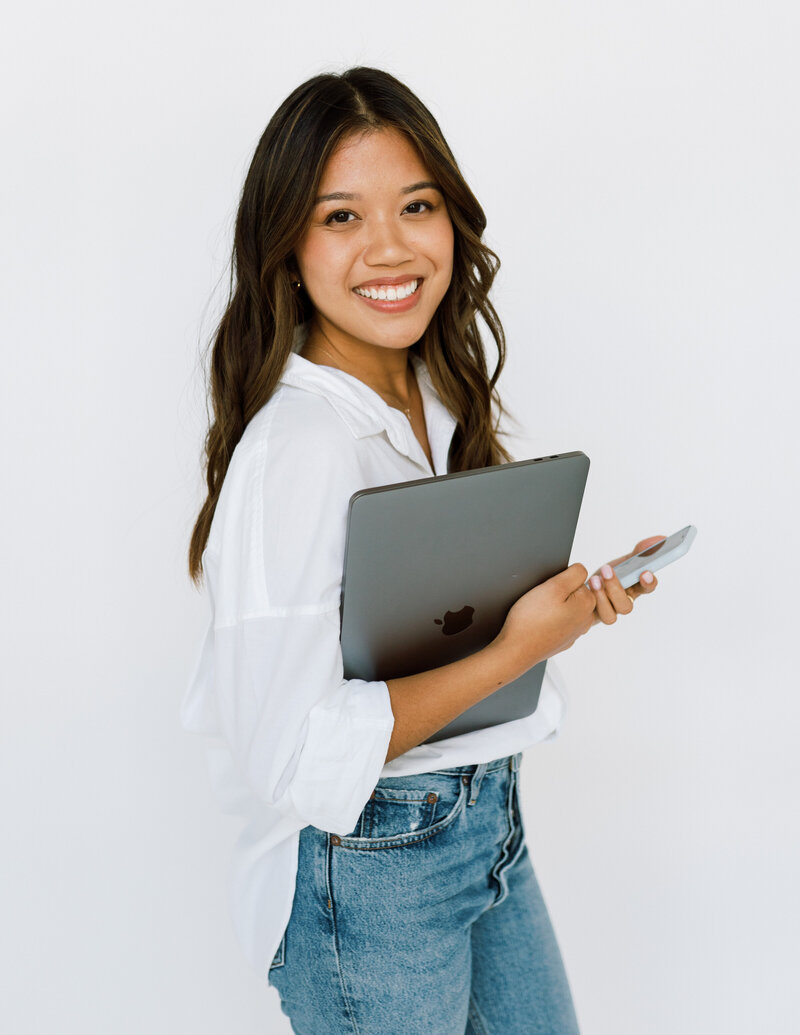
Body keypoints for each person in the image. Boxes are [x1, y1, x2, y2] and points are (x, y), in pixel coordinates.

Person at [183, 66, 660, 1034]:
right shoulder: (299, 449)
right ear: (286, 247)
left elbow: (422, 629)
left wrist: (561, 606)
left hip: (485, 826)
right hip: (372, 869)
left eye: (415, 206)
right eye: (341, 218)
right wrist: (516, 650)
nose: (390, 248)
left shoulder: (433, 399)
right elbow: (294, 756)